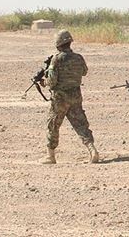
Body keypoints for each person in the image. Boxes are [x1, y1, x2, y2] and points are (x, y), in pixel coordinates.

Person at [39, 30, 99, 164]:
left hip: (60, 98)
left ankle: (50, 156)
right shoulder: (78, 57)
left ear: (58, 44)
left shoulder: (56, 59)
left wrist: (44, 82)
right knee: (81, 124)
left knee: (53, 125)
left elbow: (52, 81)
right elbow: (84, 72)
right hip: (75, 96)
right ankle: (92, 150)